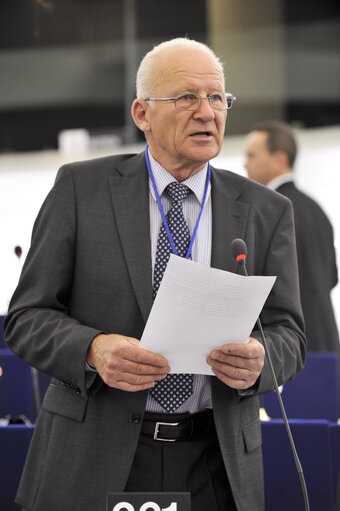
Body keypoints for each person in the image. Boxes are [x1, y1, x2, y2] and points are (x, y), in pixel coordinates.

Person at [4, 39, 306, 511]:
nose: (207, 112)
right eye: (187, 97)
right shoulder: (81, 190)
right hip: (96, 452)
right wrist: (92, 349)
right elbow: (25, 317)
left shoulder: (266, 211)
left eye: (217, 98)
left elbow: (290, 332)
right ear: (142, 114)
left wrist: (260, 360)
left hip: (216, 458)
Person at [244, 120, 339, 354]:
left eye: (252, 156)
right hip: (326, 340)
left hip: (289, 348)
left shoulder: (270, 211)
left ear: (279, 159)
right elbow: (332, 276)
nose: (245, 164)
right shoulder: (315, 209)